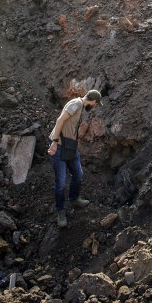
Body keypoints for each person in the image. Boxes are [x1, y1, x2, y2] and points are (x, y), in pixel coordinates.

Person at [47, 90, 102, 227]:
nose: (94, 106)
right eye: (95, 104)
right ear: (93, 101)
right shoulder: (76, 104)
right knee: (61, 183)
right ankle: (60, 212)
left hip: (70, 147)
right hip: (59, 147)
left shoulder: (79, 106)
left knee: (78, 174)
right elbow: (60, 120)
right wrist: (54, 142)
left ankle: (74, 198)